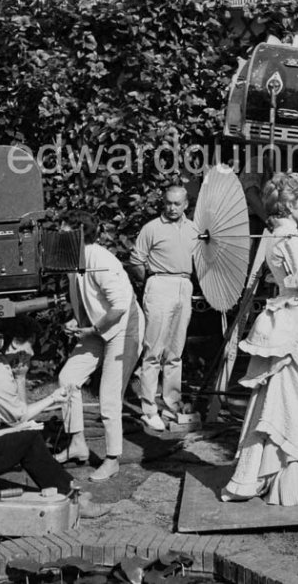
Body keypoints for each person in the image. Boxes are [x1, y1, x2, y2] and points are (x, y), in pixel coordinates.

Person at [222, 172, 298, 506]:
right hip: (297, 321)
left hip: (283, 315)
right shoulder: (293, 239)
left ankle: (271, 471)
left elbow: (291, 276)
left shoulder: (275, 238)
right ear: (290, 204)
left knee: (280, 396)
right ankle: (288, 476)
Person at [56, 211, 144, 482]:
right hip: (99, 327)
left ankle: (112, 459)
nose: (59, 234)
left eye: (64, 230)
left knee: (108, 397)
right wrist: (76, 320)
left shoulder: (101, 260)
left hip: (124, 328)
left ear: (80, 233)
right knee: (67, 379)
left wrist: (92, 328)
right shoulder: (75, 260)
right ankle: (78, 443)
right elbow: (89, 301)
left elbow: (118, 307)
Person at [0, 315, 102, 518]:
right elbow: (20, 416)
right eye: (30, 343)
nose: (32, 351)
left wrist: (21, 377)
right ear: (15, 343)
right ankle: (70, 496)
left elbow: (18, 412)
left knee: (30, 431)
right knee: (29, 439)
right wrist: (52, 398)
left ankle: (68, 488)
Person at [128, 185, 195, 432]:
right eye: (168, 203)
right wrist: (149, 281)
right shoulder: (152, 228)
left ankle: (172, 404)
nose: (172, 208)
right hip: (159, 283)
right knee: (153, 350)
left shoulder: (194, 229)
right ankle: (148, 409)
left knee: (175, 351)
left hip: (184, 285)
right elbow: (136, 261)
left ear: (186, 204)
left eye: (177, 203)